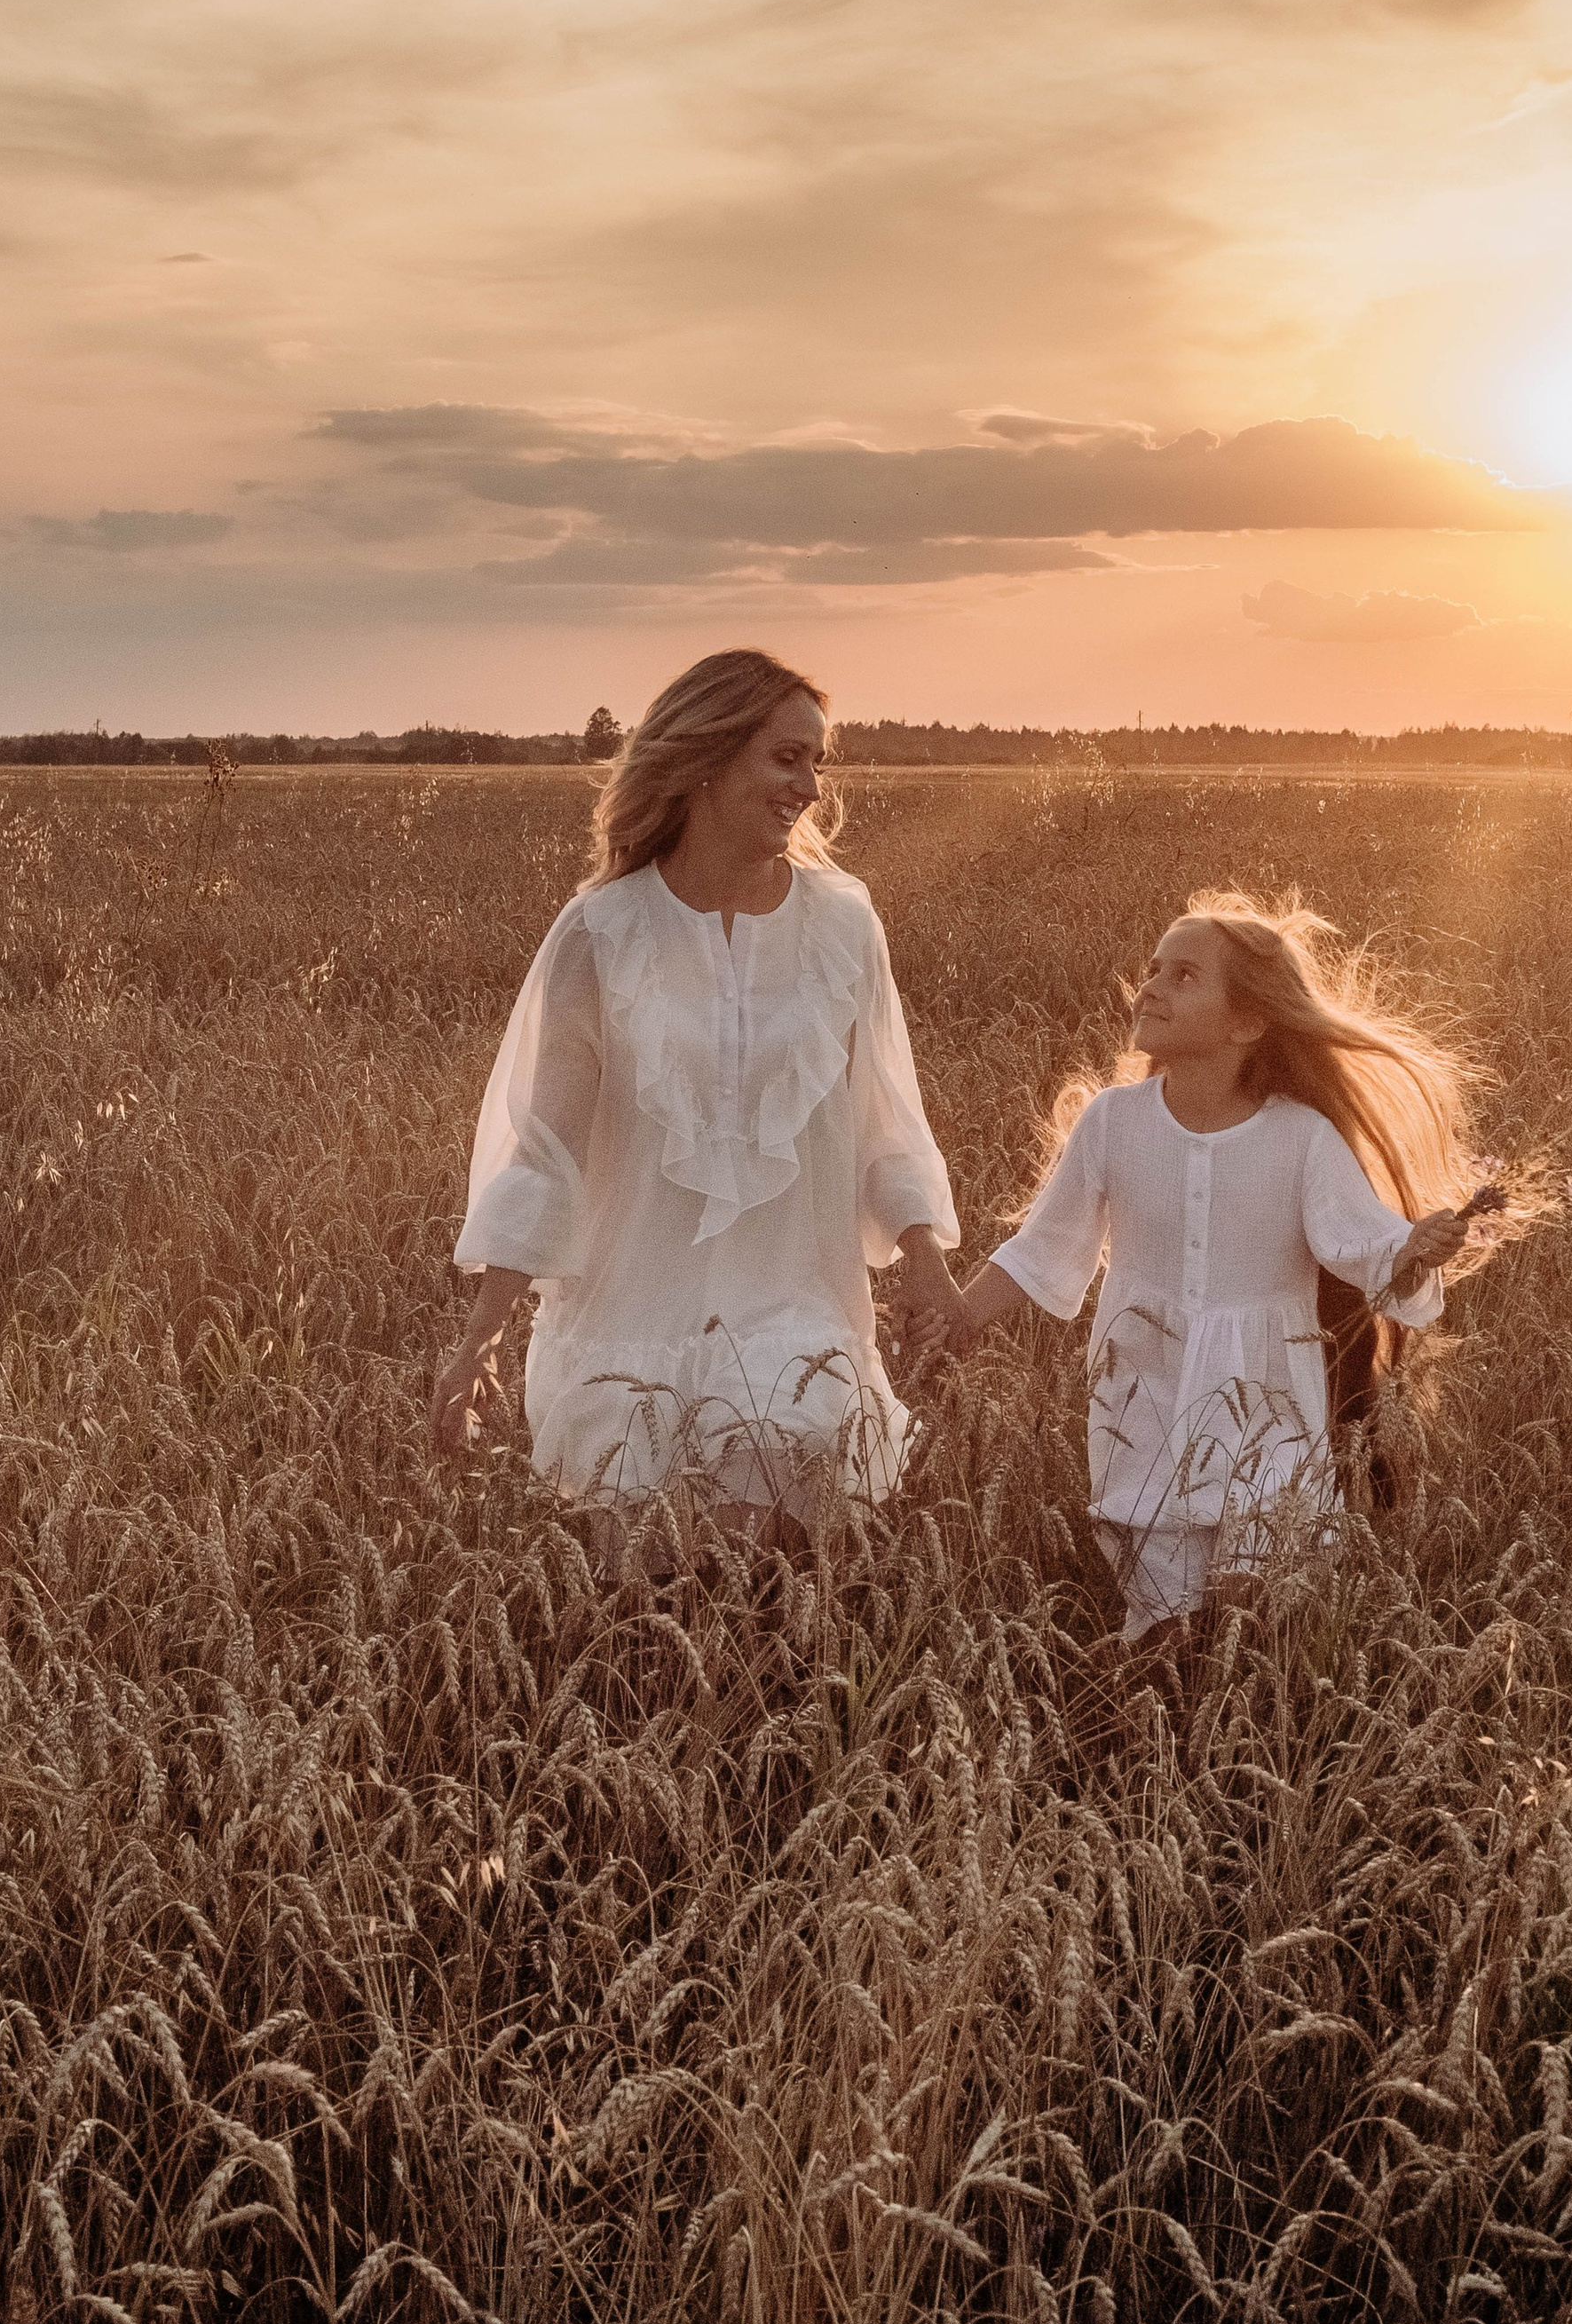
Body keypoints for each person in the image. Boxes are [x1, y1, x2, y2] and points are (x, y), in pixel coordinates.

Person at [432, 649, 962, 1526]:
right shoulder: (602, 931)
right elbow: (546, 1153)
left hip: (801, 1324)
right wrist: (478, 1337)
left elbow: (886, 1122)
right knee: (645, 1632)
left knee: (790, 1613)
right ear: (708, 758)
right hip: (626, 1331)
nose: (809, 786)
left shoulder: (842, 925)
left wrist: (929, 1272)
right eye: (786, 758)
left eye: (816, 762)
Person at [944, 891, 1507, 1639]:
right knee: (1162, 1617)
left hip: (1267, 1392)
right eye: (1152, 969)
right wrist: (955, 1317)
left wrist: (1411, 1248)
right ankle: (1159, 1717)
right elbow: (1045, 1245)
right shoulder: (1112, 1122)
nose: (1150, 986)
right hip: (1143, 1384)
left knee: (1255, 1604)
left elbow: (1363, 1245)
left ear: (1247, 1021)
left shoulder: (1301, 1138)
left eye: (1183, 976)